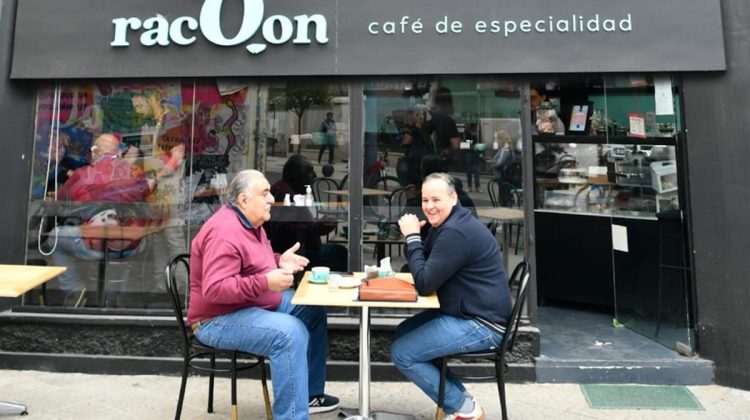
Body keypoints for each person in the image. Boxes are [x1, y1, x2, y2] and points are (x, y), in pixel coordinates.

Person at [187, 169, 339, 419]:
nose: (271, 199)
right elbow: (215, 290)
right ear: (244, 199)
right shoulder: (225, 232)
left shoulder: (251, 223)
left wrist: (279, 261)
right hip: (216, 320)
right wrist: (265, 282)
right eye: (265, 193)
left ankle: (311, 396)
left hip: (248, 306)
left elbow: (251, 264)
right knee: (289, 333)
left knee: (312, 308)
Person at [393, 172, 512, 420]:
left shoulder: (455, 232)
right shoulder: (447, 226)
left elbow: (424, 283)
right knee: (404, 332)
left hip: (482, 324)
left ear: (454, 197)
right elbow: (421, 267)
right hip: (467, 313)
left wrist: (413, 236)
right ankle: (461, 400)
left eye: (436, 200)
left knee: (403, 353)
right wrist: (419, 238)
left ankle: (464, 410)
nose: (429, 206)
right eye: (425, 200)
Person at [48, 133, 156, 306]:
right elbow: (146, 192)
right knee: (122, 246)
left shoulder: (83, 174)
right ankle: (112, 298)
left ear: (95, 152)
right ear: (119, 153)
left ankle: (73, 291)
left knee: (54, 236)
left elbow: (61, 200)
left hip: (93, 245)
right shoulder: (135, 173)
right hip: (129, 247)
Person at [265, 155, 347, 272]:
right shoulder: (285, 194)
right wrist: (317, 227)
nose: (314, 176)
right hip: (295, 253)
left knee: (338, 251)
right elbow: (287, 229)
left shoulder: (285, 189)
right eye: (308, 173)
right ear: (296, 176)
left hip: (299, 248)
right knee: (339, 253)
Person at [424, 86, 460, 170]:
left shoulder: (426, 116)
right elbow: (456, 145)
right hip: (439, 161)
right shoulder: (447, 120)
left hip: (424, 160)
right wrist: (447, 152)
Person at [462, 123, 483, 192]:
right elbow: (463, 145)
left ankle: (477, 187)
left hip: (475, 154)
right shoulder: (464, 135)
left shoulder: (475, 135)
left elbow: (479, 145)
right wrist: (472, 146)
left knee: (476, 172)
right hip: (468, 154)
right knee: (469, 171)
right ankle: (470, 186)